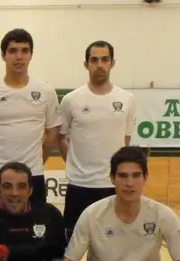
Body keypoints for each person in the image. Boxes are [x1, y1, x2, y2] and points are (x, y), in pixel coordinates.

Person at [0, 28, 61, 208]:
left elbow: (52, 134)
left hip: (33, 175)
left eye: (24, 51)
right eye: (13, 51)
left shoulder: (46, 91)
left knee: (34, 233)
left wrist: (34, 163)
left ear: (31, 55)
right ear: (4, 55)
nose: (19, 56)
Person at [58, 40, 137, 238]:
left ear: (112, 63)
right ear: (86, 64)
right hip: (79, 186)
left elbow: (125, 140)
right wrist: (76, 164)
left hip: (112, 187)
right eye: (94, 60)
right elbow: (61, 137)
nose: (99, 64)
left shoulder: (127, 99)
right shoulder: (71, 100)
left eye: (105, 59)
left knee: (112, 246)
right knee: (71, 245)